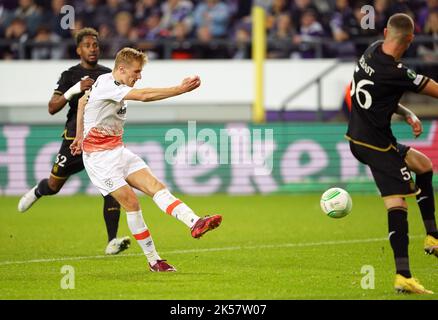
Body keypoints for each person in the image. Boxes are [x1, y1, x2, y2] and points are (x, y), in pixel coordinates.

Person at [70, 47, 222, 272]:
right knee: (132, 203)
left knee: (156, 187)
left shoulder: (105, 81)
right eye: (136, 72)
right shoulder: (107, 85)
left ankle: (195, 222)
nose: (139, 77)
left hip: (117, 151)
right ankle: (154, 261)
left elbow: (82, 102)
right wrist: (180, 90)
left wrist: (78, 135)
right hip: (99, 159)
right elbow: (144, 96)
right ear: (121, 69)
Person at [346, 13, 438, 294]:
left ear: (386, 32)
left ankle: (432, 236)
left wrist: (407, 112)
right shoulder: (397, 72)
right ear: (410, 40)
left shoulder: (372, 50)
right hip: (375, 145)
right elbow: (433, 89)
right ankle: (403, 275)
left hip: (364, 137)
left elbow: (378, 91)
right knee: (396, 203)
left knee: (422, 165)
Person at [18, 28, 131, 256]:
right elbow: (52, 108)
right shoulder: (69, 74)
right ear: (79, 49)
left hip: (100, 142)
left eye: (96, 45)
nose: (93, 49)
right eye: (88, 45)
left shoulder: (108, 74)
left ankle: (112, 241)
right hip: (73, 141)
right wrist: (75, 89)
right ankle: (39, 192)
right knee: (53, 185)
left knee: (112, 188)